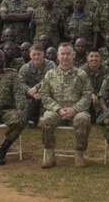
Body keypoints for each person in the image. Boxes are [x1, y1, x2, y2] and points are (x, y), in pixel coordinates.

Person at [38, 41, 92, 169]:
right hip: (56, 111)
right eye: (63, 54)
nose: (65, 57)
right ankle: (49, 153)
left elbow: (87, 95)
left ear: (73, 55)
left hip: (76, 111)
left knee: (84, 119)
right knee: (46, 119)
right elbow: (44, 95)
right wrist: (58, 109)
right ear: (57, 55)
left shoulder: (81, 74)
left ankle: (79, 154)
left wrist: (75, 109)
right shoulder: (50, 74)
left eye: (68, 54)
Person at [19, 42, 55, 127]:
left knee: (44, 121)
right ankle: (30, 119)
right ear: (30, 55)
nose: (36, 57)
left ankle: (41, 118)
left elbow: (51, 80)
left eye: (39, 54)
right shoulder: (25, 68)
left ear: (43, 54)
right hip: (31, 96)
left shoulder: (51, 65)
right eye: (34, 54)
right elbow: (20, 83)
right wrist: (29, 91)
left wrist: (39, 91)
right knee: (25, 121)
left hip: (47, 95)